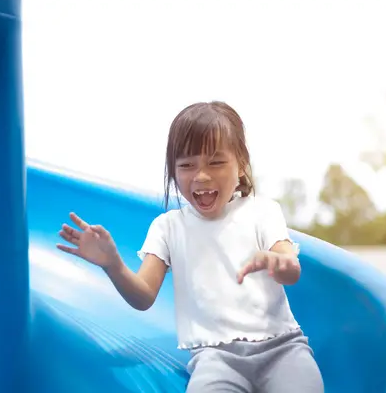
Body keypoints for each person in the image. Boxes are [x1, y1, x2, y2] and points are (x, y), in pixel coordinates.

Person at [56, 101, 324, 392]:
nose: (201, 176)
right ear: (173, 171)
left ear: (242, 166)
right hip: (216, 357)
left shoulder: (262, 211)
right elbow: (143, 296)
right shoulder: (168, 227)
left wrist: (281, 263)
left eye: (216, 162)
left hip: (282, 349)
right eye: (186, 165)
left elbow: (290, 267)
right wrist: (113, 265)